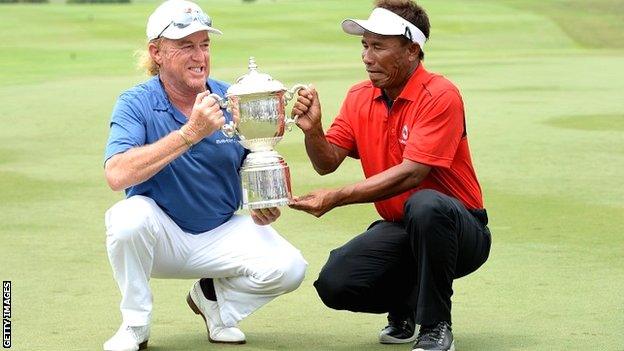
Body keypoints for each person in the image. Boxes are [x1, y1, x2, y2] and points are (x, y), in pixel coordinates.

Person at [102, 1, 307, 350]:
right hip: (161, 238)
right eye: (186, 46)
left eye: (205, 45)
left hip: (220, 234)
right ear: (157, 53)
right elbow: (117, 174)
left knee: (290, 267)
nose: (199, 56)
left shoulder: (233, 98)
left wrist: (261, 201)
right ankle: (135, 324)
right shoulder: (135, 102)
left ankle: (215, 302)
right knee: (126, 218)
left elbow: (251, 159)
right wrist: (189, 133)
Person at [290, 1, 491, 350]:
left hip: (461, 232)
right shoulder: (359, 96)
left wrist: (336, 197)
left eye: (378, 46)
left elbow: (412, 174)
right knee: (335, 283)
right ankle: (406, 304)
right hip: (403, 228)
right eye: (364, 45)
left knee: (426, 205)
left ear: (412, 50)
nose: (367, 57)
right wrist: (313, 132)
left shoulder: (440, 95)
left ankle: (436, 326)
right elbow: (327, 161)